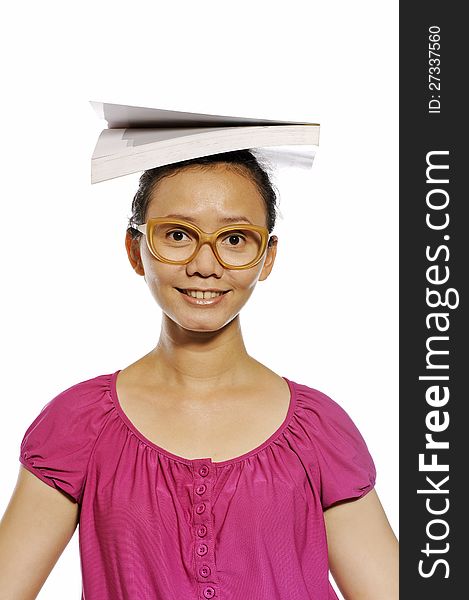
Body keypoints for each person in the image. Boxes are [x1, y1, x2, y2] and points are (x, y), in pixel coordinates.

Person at [0, 150, 398, 599]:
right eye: (177, 234)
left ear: (267, 257)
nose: (205, 266)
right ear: (136, 249)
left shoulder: (318, 431)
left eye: (234, 239)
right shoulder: (77, 425)